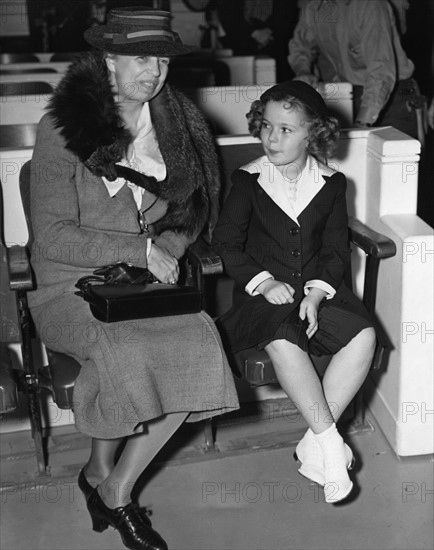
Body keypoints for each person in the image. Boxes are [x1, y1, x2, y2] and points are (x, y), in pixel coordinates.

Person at [28, 8, 239, 550]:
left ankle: (114, 485)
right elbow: (50, 236)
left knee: (198, 340)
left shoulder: (177, 124)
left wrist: (164, 246)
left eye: (163, 59)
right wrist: (139, 249)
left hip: (139, 282)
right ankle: (103, 480)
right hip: (68, 285)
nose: (154, 72)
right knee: (124, 349)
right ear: (109, 60)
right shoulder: (62, 128)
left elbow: (187, 213)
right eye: (141, 58)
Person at [212, 81, 376, 503]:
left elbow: (336, 251)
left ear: (313, 134)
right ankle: (330, 448)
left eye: (286, 129)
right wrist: (264, 282)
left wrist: (317, 294)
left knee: (365, 336)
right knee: (284, 340)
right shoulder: (247, 180)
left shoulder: (332, 184)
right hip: (259, 298)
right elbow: (227, 245)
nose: (272, 137)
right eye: (267, 126)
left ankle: (313, 441)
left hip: (316, 292)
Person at [287, 0, 421, 139]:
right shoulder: (314, 8)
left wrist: (362, 122)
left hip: (391, 100)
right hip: (347, 97)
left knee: (395, 157)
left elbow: (380, 71)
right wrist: (303, 71)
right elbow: (301, 46)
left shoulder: (370, 5)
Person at [215, 0, 300, 81]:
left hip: (280, 45)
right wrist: (253, 32)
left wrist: (269, 32)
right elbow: (226, 13)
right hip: (242, 46)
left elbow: (290, 12)